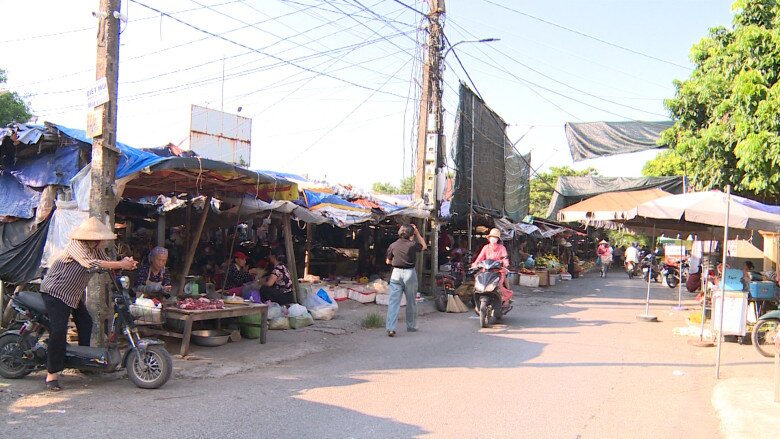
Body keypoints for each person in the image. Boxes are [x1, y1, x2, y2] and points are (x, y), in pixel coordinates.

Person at [39, 217, 138, 392]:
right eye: (100, 238)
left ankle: (83, 363)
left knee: (86, 322)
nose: (102, 241)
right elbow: (90, 263)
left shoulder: (96, 249)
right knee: (59, 331)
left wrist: (126, 264)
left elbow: (106, 263)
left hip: (72, 294)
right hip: (56, 292)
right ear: (91, 238)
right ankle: (52, 374)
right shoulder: (76, 245)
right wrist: (120, 263)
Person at [385, 223, 427, 337]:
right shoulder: (412, 245)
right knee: (411, 301)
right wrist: (417, 233)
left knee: (394, 302)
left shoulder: (393, 245)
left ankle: (391, 328)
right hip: (409, 274)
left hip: (396, 274)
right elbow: (424, 246)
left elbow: (388, 261)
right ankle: (411, 326)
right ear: (411, 235)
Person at [472, 228, 512, 310]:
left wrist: (505, 263)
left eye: (495, 237)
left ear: (498, 239)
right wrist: (475, 264)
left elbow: (505, 258)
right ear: (489, 238)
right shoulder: (486, 247)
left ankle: (506, 298)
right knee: (477, 280)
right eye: (492, 237)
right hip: (486, 270)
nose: (493, 239)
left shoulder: (501, 248)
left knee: (499, 284)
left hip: (498, 271)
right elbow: (480, 257)